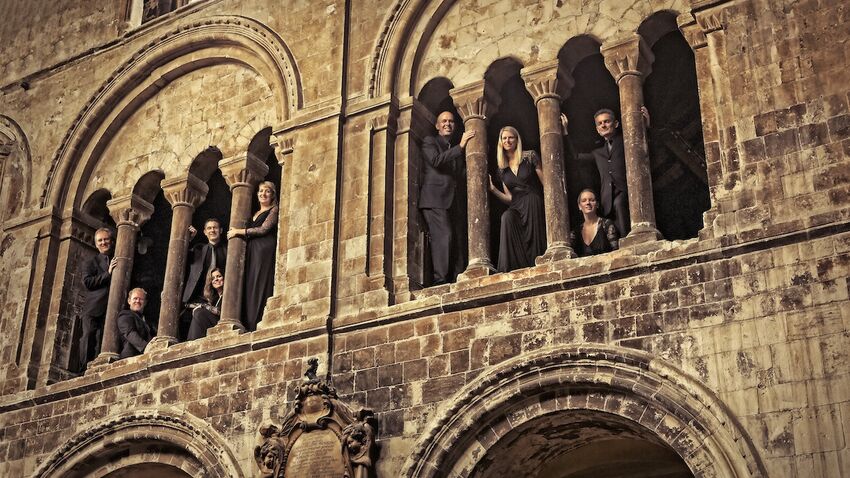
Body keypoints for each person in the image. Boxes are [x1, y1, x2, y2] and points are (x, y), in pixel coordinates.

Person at [561, 107, 650, 236]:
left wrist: (645, 126)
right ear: (597, 129)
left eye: (607, 121)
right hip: (607, 199)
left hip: (628, 190)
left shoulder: (626, 141)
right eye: (600, 123)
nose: (603, 125)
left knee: (619, 205)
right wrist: (565, 132)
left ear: (616, 124)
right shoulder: (598, 153)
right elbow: (575, 157)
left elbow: (644, 147)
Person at [419, 110, 474, 285]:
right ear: (437, 126)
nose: (447, 124)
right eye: (443, 121)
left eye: (450, 121)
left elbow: (457, 174)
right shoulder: (430, 142)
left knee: (457, 238)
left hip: (450, 201)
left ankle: (457, 277)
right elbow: (436, 161)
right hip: (434, 199)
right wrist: (461, 146)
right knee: (444, 236)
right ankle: (440, 281)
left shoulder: (453, 149)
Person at [488, 126, 546, 272]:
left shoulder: (530, 156)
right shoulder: (502, 169)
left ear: (516, 139)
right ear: (500, 142)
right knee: (506, 217)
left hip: (532, 201)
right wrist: (493, 190)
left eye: (510, 137)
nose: (507, 141)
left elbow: (547, 183)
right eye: (504, 138)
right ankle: (508, 269)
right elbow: (509, 197)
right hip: (516, 205)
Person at [228, 180, 278, 331]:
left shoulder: (274, 210)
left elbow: (264, 229)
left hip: (263, 249)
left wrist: (239, 231)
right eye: (261, 191)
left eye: (267, 191)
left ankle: (257, 320)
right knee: (249, 283)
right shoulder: (254, 213)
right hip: (252, 250)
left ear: (272, 195)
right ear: (257, 194)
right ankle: (248, 321)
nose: (263, 194)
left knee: (259, 281)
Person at [78, 227, 117, 372]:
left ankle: (99, 368)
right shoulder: (91, 262)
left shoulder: (116, 257)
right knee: (88, 337)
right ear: (95, 244)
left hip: (110, 306)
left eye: (106, 239)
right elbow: (88, 282)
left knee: (102, 339)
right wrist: (108, 274)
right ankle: (84, 369)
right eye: (100, 240)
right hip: (93, 307)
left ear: (111, 241)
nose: (103, 242)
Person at [181, 218, 227, 340]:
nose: (212, 230)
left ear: (221, 230)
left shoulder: (228, 250)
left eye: (215, 227)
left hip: (219, 294)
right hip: (198, 295)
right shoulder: (198, 249)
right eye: (209, 228)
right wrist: (189, 239)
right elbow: (181, 259)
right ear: (205, 232)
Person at [570, 188, 620, 257]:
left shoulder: (606, 224)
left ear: (597, 204)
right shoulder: (575, 232)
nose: (588, 203)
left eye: (592, 200)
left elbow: (616, 251)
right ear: (579, 206)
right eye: (584, 201)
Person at [186, 268, 224, 340]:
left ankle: (192, 341)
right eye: (213, 278)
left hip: (222, 324)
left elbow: (220, 311)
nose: (216, 279)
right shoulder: (214, 299)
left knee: (199, 312)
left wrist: (203, 306)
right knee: (197, 315)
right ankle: (191, 341)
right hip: (214, 324)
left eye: (219, 276)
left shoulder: (227, 295)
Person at [117, 288, 154, 359]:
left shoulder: (148, 321)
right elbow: (129, 333)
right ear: (129, 301)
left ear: (145, 302)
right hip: (131, 358)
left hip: (147, 357)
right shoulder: (125, 315)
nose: (138, 301)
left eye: (141, 299)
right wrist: (147, 347)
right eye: (135, 298)